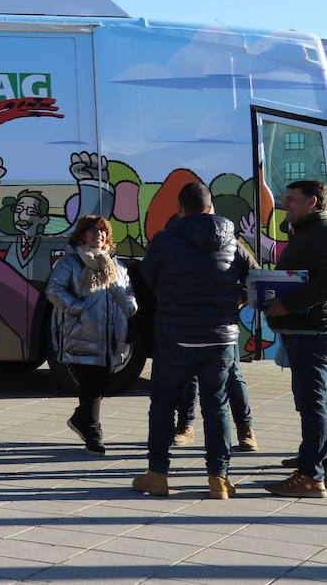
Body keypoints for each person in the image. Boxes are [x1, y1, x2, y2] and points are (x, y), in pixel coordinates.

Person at [132, 182, 247, 499]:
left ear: (180, 209)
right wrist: (232, 301)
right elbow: (251, 280)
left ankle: (157, 475)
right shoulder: (232, 241)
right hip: (221, 339)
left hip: (175, 337)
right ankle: (218, 480)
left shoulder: (165, 239)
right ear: (211, 208)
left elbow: (148, 276)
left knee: (163, 406)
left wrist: (171, 296)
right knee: (218, 409)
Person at [46, 215, 138, 455]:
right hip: (80, 333)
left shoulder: (116, 264)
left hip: (111, 336)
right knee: (91, 386)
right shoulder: (70, 263)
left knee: (104, 381)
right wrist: (77, 308)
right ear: (82, 234)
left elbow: (127, 289)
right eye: (93, 230)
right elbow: (53, 290)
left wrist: (129, 304)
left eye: (103, 230)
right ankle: (93, 434)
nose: (99, 234)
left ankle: (80, 418)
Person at [262, 178, 327, 498]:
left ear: (311, 202)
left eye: (291, 199)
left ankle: (311, 476)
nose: (285, 204)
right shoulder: (307, 231)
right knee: (314, 401)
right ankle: (312, 459)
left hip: (312, 329)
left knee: (314, 402)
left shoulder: (321, 233)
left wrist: (286, 303)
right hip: (304, 328)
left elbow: (323, 284)